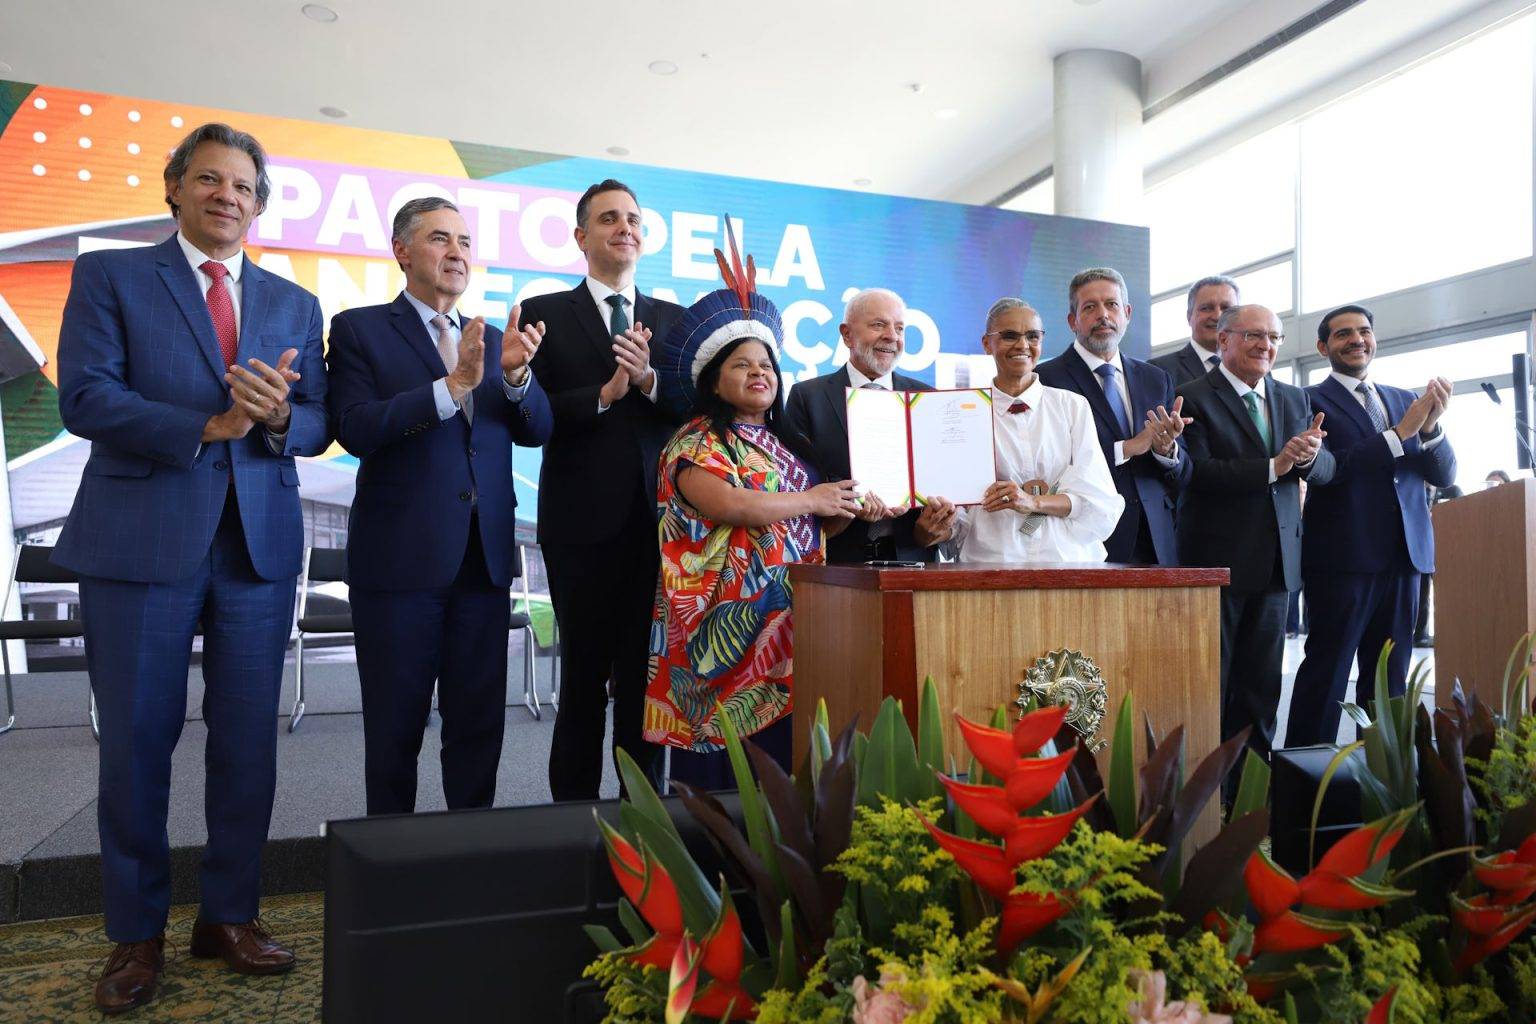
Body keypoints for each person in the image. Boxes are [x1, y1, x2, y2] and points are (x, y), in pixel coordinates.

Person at [52, 123, 329, 1014]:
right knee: (138, 742)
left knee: (248, 743)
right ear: (174, 188)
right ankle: (136, 935)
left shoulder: (294, 303)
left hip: (256, 546)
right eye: (209, 179)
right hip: (141, 539)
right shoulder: (112, 277)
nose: (226, 196)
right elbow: (85, 396)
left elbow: (318, 423)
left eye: (243, 186)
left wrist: (279, 419)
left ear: (260, 204)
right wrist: (209, 426)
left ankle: (230, 916)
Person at [327, 198, 553, 814]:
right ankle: (389, 860)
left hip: (482, 565)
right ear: (402, 251)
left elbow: (537, 429)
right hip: (400, 566)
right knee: (394, 731)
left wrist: (515, 380)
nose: (457, 253)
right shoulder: (360, 330)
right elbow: (354, 427)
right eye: (440, 239)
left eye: (464, 242)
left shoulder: (496, 339)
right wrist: (450, 389)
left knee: (478, 728)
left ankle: (470, 854)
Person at [648, 246, 859, 786]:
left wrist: (844, 508)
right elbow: (730, 505)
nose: (759, 373)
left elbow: (808, 524)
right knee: (722, 784)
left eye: (766, 365)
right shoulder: (696, 440)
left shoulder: (788, 444)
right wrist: (814, 499)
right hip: (721, 633)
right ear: (713, 380)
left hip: (789, 630)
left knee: (783, 776)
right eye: (742, 365)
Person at [518, 179, 684, 800]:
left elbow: (694, 409)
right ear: (581, 236)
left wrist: (648, 382)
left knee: (646, 685)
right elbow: (529, 415)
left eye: (633, 219)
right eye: (609, 218)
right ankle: (573, 823)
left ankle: (646, 822)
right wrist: (605, 394)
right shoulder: (542, 313)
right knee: (583, 683)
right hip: (579, 528)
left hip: (659, 531)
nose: (625, 228)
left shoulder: (673, 320)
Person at [1284, 304, 1455, 747]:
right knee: (1327, 674)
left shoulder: (1404, 399)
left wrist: (1430, 429)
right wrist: (1398, 435)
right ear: (1322, 347)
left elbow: (1444, 475)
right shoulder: (1306, 401)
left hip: (1405, 560)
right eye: (1343, 334)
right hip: (1343, 561)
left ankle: (1383, 775)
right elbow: (1330, 469)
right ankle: (1306, 778)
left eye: (1363, 331)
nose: (1356, 339)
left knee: (1390, 682)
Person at [1174, 304, 1334, 774]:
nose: (1266, 345)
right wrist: (1273, 466)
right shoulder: (1192, 396)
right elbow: (1196, 472)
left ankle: (1251, 794)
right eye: (1254, 335)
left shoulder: (1293, 398)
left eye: (1274, 337)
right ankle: (1208, 796)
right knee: (1212, 689)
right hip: (1216, 566)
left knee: (1261, 692)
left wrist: (1308, 458)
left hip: (1276, 568)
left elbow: (1326, 469)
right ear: (1224, 340)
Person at [936, 298, 1124, 562]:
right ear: (987, 344)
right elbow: (960, 515)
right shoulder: (963, 412)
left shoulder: (1072, 407)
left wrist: (1033, 502)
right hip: (992, 563)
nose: (1023, 345)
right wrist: (940, 526)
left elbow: (1098, 500)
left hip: (1066, 561)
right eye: (1009, 336)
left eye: (1032, 336)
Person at [782, 288, 955, 562]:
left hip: (912, 559)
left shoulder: (926, 398)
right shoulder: (807, 396)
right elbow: (794, 486)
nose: (892, 336)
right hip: (837, 560)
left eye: (899, 328)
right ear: (847, 334)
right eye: (878, 325)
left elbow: (943, 481)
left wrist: (934, 526)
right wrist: (849, 505)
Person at [1037, 268, 1190, 564]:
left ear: (1127, 313)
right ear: (1072, 321)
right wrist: (1128, 447)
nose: (1103, 315)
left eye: (1111, 304)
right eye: (1089, 307)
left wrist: (1166, 450)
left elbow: (1184, 474)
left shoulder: (1155, 378)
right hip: (1086, 539)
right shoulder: (1046, 379)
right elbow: (1049, 469)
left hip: (1155, 540)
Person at [1151, 276, 1241, 386]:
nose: (1217, 316)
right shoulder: (1158, 370)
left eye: (1226, 308)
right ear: (1189, 316)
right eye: (1206, 308)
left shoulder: (1252, 369)